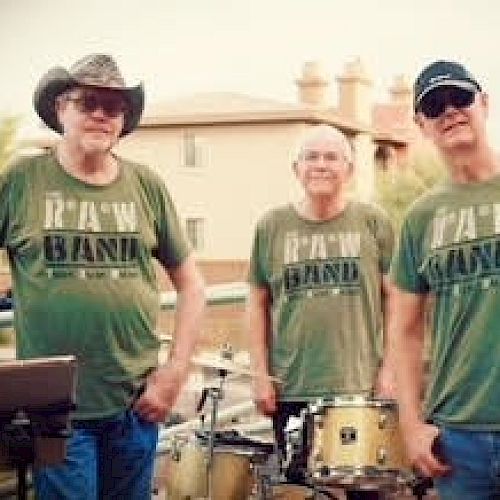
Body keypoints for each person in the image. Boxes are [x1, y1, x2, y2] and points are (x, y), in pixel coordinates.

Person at [0, 54, 205, 499]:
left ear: (123, 119)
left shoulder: (145, 185)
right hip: (56, 410)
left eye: (112, 107)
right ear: (60, 109)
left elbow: (192, 284)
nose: (99, 114)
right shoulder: (22, 181)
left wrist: (174, 373)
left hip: (137, 406)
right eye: (87, 101)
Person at [247, 124, 396, 499]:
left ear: (349, 169)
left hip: (360, 387)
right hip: (293, 388)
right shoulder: (272, 226)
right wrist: (261, 375)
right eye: (311, 157)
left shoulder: (372, 222)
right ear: (296, 169)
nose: (321, 165)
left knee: (366, 493)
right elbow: (256, 304)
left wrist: (390, 370)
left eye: (332, 157)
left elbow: (398, 302)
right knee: (301, 493)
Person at [390, 60, 500, 499]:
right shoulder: (421, 217)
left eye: (461, 98)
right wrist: (412, 424)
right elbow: (404, 330)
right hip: (457, 438)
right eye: (436, 105)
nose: (451, 110)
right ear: (422, 124)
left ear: (485, 104)